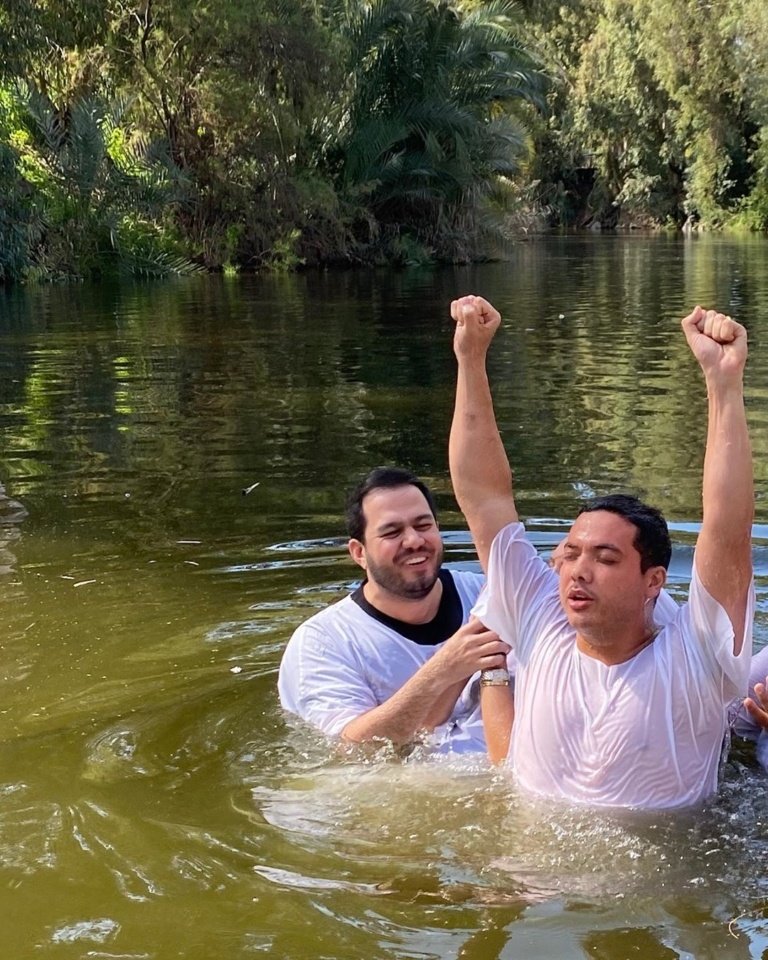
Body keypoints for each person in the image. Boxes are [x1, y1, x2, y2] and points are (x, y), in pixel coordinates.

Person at [450, 296, 754, 808]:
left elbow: (727, 531)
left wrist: (724, 385)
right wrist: (470, 359)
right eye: (570, 553)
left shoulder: (698, 656)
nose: (577, 572)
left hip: (661, 880)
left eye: (606, 559)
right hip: (528, 876)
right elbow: (484, 496)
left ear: (654, 580)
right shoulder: (540, 619)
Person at [277, 466, 510, 753]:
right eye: (392, 531)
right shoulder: (323, 642)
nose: (414, 541)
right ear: (359, 553)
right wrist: (445, 668)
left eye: (424, 525)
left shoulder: (488, 595)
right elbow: (350, 752)